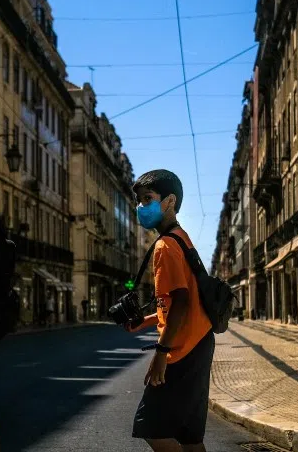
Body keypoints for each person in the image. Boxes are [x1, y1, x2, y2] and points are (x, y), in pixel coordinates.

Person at [125, 170, 214, 452]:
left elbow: (182, 302)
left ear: (169, 201)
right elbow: (177, 303)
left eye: (148, 199)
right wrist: (144, 321)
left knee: (151, 427)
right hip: (200, 342)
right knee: (190, 436)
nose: (141, 207)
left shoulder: (165, 245)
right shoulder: (182, 237)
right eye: (139, 201)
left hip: (182, 350)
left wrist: (161, 355)